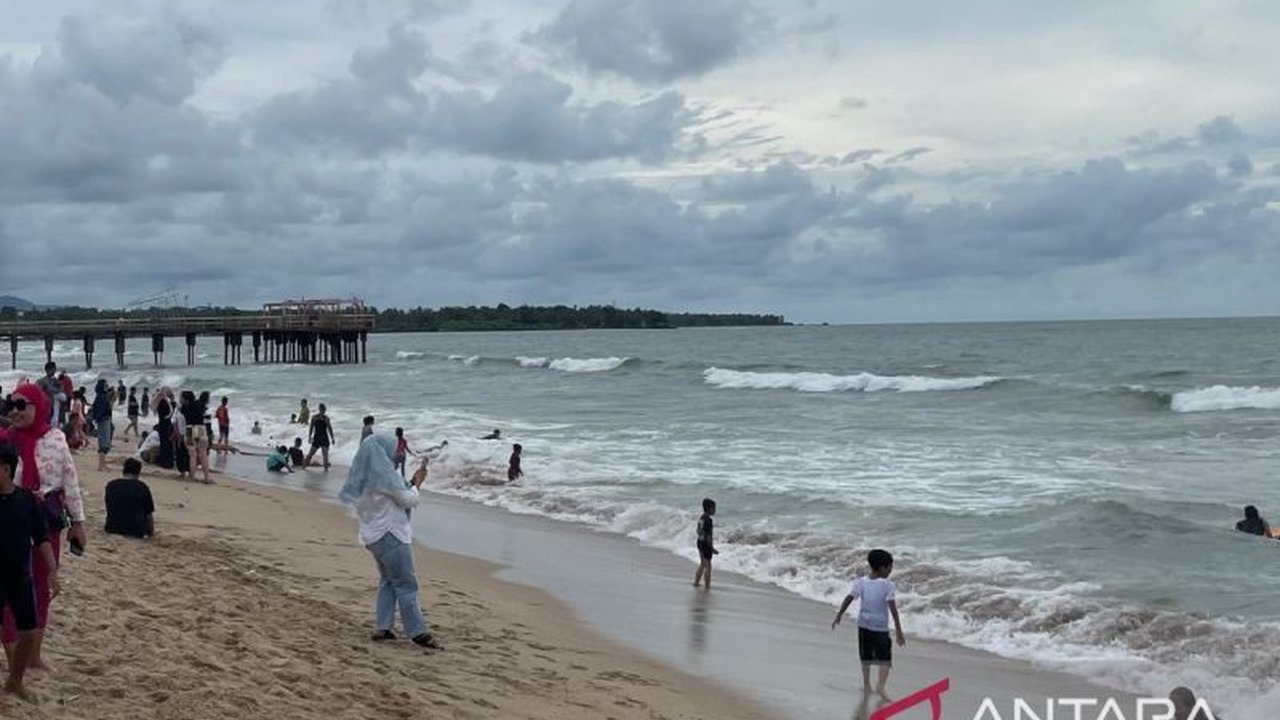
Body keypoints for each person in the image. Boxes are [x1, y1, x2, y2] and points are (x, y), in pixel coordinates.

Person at [1, 383, 86, 673]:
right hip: (10, 522)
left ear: (39, 406)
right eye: (11, 405)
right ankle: (15, 658)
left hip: (46, 523)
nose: (15, 411)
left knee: (41, 587)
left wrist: (78, 523)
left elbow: (70, 483)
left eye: (21, 405)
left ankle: (34, 656)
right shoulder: (5, 441)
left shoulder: (57, 439)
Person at [338, 435, 441, 649]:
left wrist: (411, 483)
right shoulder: (383, 478)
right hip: (390, 534)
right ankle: (417, 632)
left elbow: (396, 494)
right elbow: (409, 500)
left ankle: (383, 627)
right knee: (406, 584)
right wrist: (417, 485)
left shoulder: (361, 477)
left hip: (372, 535)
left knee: (388, 581)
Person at [0, 440, 59, 703]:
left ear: (5, 468)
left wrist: (52, 571)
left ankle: (15, 680)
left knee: (28, 632)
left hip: (20, 576)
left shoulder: (26, 501)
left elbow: (42, 538)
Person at [831, 549, 906, 701]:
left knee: (865, 656)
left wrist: (839, 614)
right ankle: (880, 686)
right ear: (882, 567)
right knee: (885, 658)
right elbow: (892, 607)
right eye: (890, 567)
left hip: (863, 624)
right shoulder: (888, 585)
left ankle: (867, 685)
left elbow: (849, 598)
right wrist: (899, 629)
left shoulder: (861, 582)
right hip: (880, 627)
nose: (891, 570)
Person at [104, 458, 154, 539]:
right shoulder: (142, 487)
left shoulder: (111, 485)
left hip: (112, 528)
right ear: (138, 473)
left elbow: (109, 508)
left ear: (124, 470)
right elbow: (149, 515)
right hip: (136, 531)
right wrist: (151, 534)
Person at [179, 391, 211, 484]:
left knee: (192, 455)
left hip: (189, 430)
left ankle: (192, 476)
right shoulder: (200, 404)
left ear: (186, 399)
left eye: (181, 398)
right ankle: (207, 477)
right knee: (203, 455)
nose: (180, 400)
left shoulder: (183, 409)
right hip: (201, 429)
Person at [693, 498, 717, 589]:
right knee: (708, 566)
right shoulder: (709, 520)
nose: (715, 510)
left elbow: (698, 531)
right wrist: (711, 547)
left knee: (702, 564)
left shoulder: (701, 518)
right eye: (714, 508)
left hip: (699, 542)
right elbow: (709, 536)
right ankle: (707, 585)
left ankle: (696, 582)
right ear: (709, 509)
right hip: (706, 544)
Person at [90, 378, 114, 472]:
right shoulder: (102, 397)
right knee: (104, 442)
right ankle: (101, 465)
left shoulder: (100, 396)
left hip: (103, 420)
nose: (107, 387)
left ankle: (102, 464)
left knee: (103, 441)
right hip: (104, 420)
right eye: (106, 385)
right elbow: (105, 409)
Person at [304, 403, 335, 470]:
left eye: (324, 410)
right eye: (323, 409)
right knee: (313, 454)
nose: (323, 411)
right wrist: (309, 436)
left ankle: (325, 470)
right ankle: (304, 468)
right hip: (320, 438)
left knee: (322, 456)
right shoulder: (319, 418)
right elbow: (311, 427)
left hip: (320, 438)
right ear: (320, 409)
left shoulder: (321, 418)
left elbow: (330, 429)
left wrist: (332, 438)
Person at [35, 362, 63, 427]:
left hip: (51, 403)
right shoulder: (42, 381)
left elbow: (60, 388)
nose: (55, 371)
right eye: (54, 369)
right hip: (44, 404)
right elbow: (47, 389)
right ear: (50, 370)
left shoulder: (54, 380)